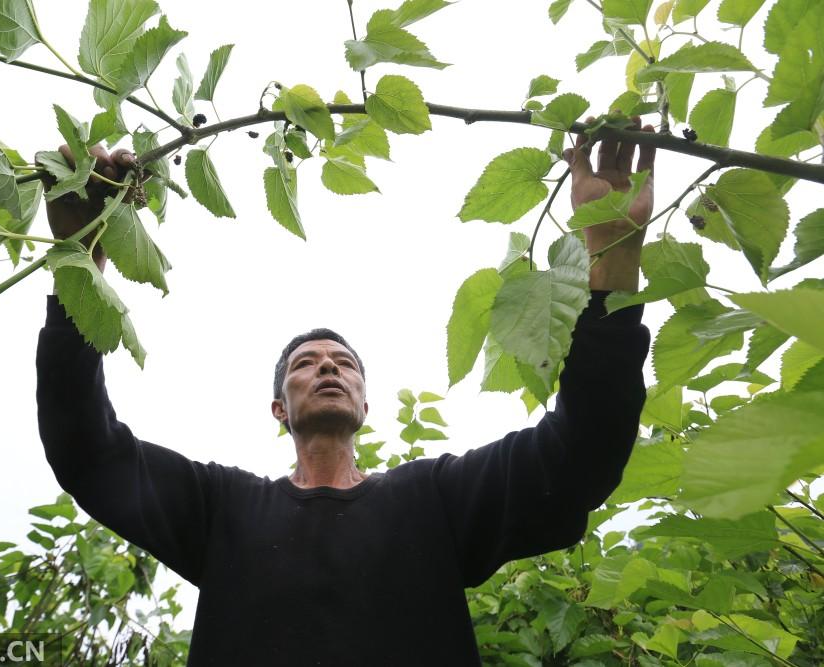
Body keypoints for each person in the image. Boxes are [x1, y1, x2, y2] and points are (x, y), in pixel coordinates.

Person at [37, 118, 656, 665]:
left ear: (366, 404)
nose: (328, 368)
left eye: (345, 363)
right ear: (280, 408)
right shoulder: (220, 510)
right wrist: (77, 258)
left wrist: (614, 251)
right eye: (305, 364)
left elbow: (582, 452)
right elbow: (86, 450)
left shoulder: (434, 501)